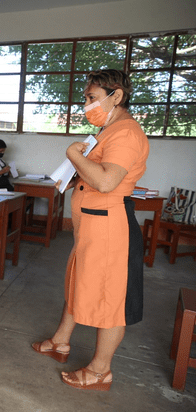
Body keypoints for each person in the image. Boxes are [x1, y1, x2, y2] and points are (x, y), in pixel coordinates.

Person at [32, 69, 149, 391]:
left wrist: (72, 155)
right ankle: (61, 341)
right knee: (78, 282)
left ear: (117, 96)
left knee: (109, 301)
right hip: (92, 228)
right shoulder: (106, 131)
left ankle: (100, 371)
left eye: (91, 98)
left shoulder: (125, 133)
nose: (86, 105)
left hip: (111, 231)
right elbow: (93, 173)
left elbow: (106, 181)